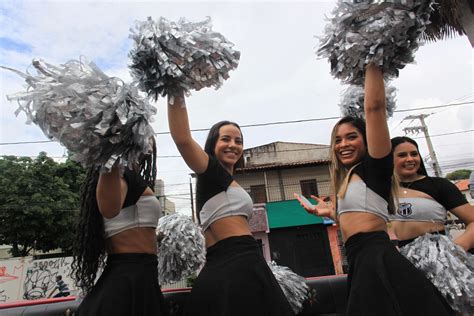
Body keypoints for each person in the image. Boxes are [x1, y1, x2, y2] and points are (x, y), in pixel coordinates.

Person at [297, 64, 452, 315]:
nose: (343, 144)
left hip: (377, 259)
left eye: (351, 137)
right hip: (360, 261)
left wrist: (371, 57)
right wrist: (331, 214)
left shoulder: (374, 168)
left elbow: (374, 109)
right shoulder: (349, 179)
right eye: (337, 139)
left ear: (367, 140)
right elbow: (362, 218)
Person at [167, 91, 294, 316]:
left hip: (236, 264)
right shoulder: (211, 172)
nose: (233, 145)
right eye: (225, 139)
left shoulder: (223, 180)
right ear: (212, 144)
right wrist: (174, 85)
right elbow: (183, 139)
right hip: (238, 264)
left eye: (238, 141)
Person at [71, 138, 169, 316]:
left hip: (140, 274)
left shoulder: (130, 175)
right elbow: (108, 208)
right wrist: (111, 149)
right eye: (142, 129)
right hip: (129, 278)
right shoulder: (120, 173)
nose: (149, 136)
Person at [389, 136, 474, 251]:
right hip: (395, 262)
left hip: (437, 262)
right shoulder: (379, 190)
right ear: (389, 159)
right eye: (402, 155)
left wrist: (456, 250)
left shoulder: (440, 185)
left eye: (414, 154)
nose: (410, 159)